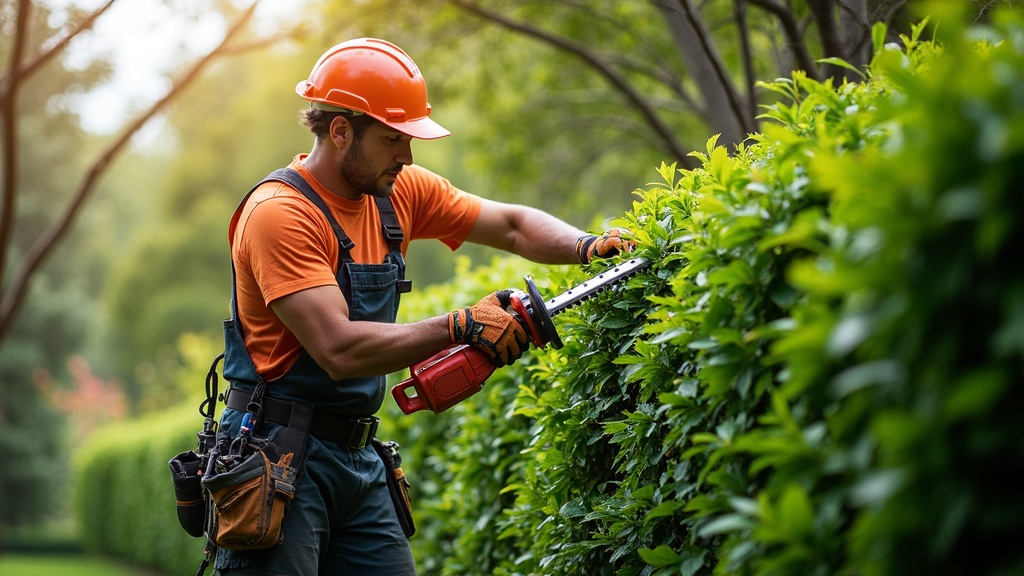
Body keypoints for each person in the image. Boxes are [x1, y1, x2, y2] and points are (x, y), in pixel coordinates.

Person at [212, 37, 632, 575]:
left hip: (358, 456)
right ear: (340, 131)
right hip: (276, 456)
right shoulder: (281, 214)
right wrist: (461, 325)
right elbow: (337, 349)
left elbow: (511, 224)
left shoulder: (397, 191)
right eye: (392, 139)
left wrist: (587, 247)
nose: (406, 156)